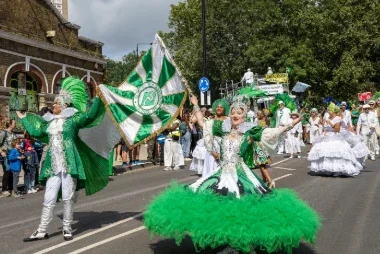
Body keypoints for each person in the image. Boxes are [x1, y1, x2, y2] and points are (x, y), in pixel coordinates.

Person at [144, 95, 320, 253]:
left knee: (242, 205)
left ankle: (238, 239)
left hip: (240, 173)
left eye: (239, 113)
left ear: (243, 117)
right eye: (234, 112)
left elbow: (273, 132)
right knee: (216, 203)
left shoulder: (249, 133)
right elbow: (202, 123)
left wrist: (292, 124)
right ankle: (220, 236)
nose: (236, 115)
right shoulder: (222, 129)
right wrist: (196, 105)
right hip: (222, 173)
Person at [19, 77, 112, 241]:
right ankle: (41, 230)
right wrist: (23, 118)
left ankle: (67, 228)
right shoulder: (49, 123)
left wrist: (98, 97)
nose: (53, 106)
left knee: (68, 198)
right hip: (53, 166)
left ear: (64, 106)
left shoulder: (73, 120)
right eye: (54, 103)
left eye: (56, 103)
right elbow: (36, 131)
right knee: (48, 198)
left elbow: (90, 116)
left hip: (69, 165)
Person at [308, 103, 362, 176]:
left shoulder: (337, 118)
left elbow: (337, 129)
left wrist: (329, 123)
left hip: (334, 137)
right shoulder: (328, 118)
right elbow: (325, 128)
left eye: (329, 110)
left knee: (335, 153)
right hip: (326, 137)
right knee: (325, 153)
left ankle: (338, 169)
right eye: (328, 110)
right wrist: (324, 130)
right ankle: (328, 169)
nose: (328, 112)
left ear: (333, 111)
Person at [190, 99, 229, 177]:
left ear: (224, 108)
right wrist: (195, 104)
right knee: (212, 173)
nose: (219, 108)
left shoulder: (229, 120)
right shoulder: (210, 121)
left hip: (226, 149)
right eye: (217, 107)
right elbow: (200, 121)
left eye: (221, 107)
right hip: (212, 150)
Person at [0, 119, 17, 197]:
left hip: (12, 154)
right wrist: (1, 152)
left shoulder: (13, 133)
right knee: (7, 171)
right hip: (5, 154)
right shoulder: (4, 133)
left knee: (12, 171)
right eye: (14, 123)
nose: (15, 124)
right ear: (10, 124)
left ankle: (11, 189)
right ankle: (4, 190)